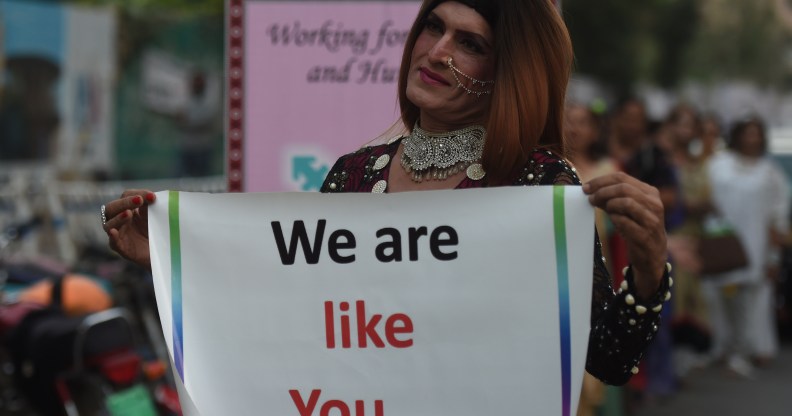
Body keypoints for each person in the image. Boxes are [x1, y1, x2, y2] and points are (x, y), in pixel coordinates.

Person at [101, 0, 670, 387]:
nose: (438, 50)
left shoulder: (536, 186)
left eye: (469, 42)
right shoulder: (352, 175)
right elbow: (290, 312)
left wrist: (647, 270)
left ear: (508, 72)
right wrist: (172, 260)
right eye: (433, 27)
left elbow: (609, 359)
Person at [703, 117, 790, 377]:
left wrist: (774, 257)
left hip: (754, 247)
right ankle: (717, 348)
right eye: (747, 133)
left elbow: (778, 217)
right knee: (716, 298)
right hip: (719, 245)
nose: (751, 139)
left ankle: (742, 352)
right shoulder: (717, 165)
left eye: (756, 134)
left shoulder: (770, 172)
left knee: (747, 302)